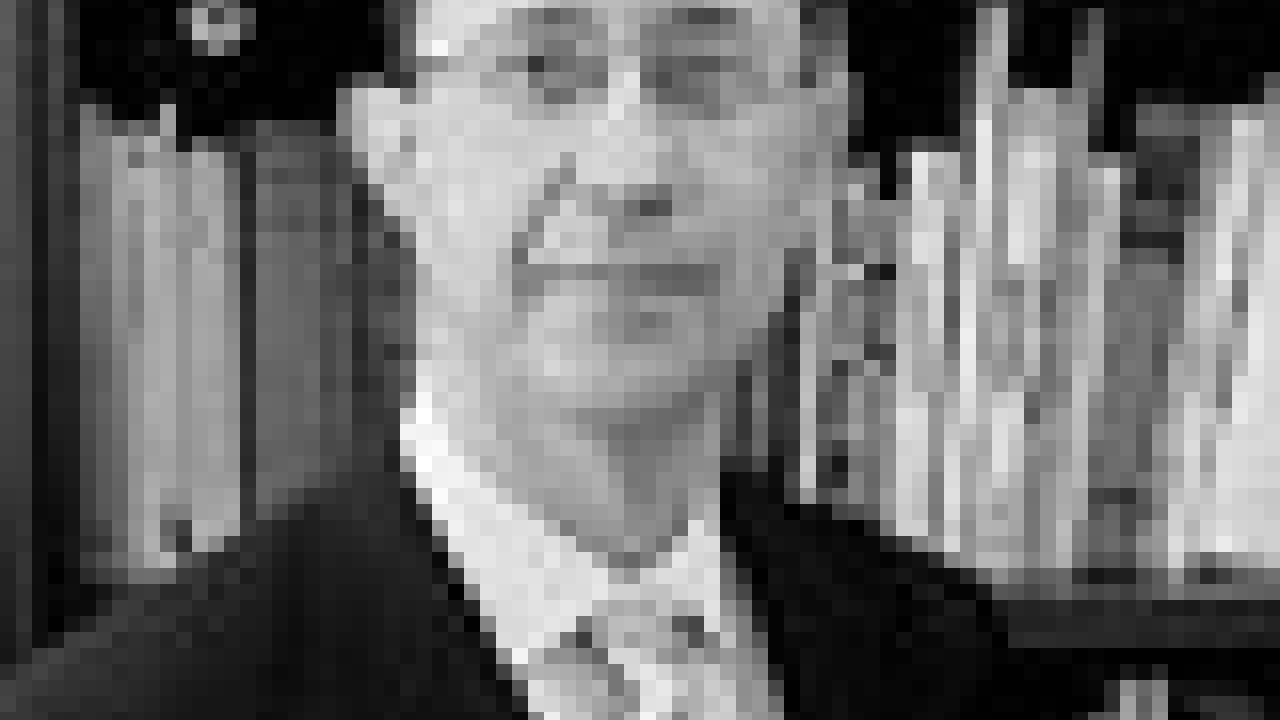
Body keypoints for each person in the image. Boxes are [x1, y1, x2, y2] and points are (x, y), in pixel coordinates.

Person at [4, 0, 1100, 717]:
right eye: (538, 67)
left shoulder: (940, 658)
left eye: (705, 70)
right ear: (393, 151)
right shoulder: (124, 706)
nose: (631, 169)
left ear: (816, 146)